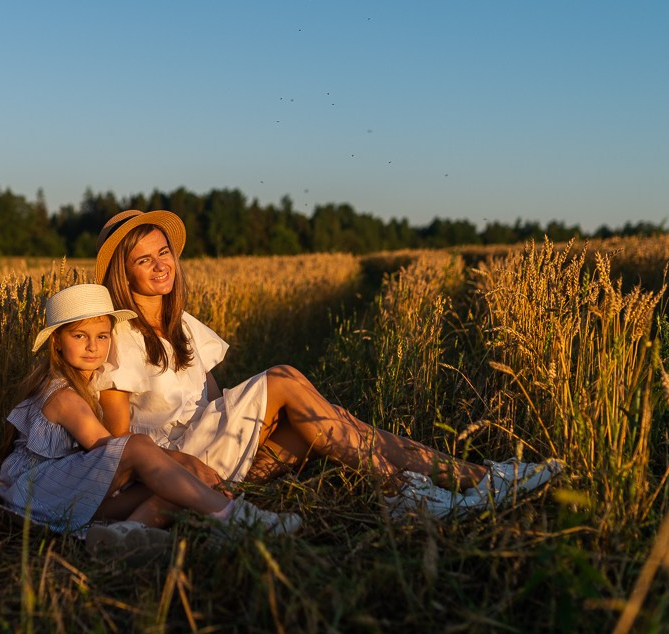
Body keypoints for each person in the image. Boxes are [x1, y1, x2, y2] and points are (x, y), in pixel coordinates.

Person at [92, 210, 561, 519]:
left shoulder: (184, 326)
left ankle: (480, 479)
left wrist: (254, 436)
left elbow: (216, 401)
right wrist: (182, 467)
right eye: (143, 259)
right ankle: (404, 495)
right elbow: (118, 449)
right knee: (283, 379)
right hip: (180, 467)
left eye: (164, 252)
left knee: (333, 423)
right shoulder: (119, 342)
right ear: (123, 272)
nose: (161, 265)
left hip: (221, 454)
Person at [0, 283, 302, 553]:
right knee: (142, 448)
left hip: (75, 490)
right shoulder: (63, 395)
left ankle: (125, 534)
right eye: (80, 336)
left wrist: (183, 467)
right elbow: (109, 449)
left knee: (179, 486)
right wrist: (182, 459)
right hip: (42, 491)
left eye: (102, 336)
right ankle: (236, 518)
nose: (93, 346)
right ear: (57, 343)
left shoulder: (88, 383)